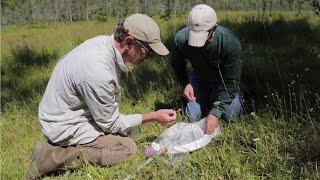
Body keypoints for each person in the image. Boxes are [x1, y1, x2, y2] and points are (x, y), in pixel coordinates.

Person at [27, 13, 177, 179]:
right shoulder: (98, 70)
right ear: (128, 42)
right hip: (63, 125)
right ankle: (49, 157)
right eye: (148, 52)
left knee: (126, 131)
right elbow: (110, 123)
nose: (148, 57)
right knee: (128, 148)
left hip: (70, 114)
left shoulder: (104, 44)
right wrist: (154, 116)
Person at [171, 4, 243, 135]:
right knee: (193, 117)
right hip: (199, 77)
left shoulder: (230, 42)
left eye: (204, 37)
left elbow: (231, 82)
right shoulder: (180, 39)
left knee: (232, 116)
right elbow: (177, 64)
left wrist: (215, 114)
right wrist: (185, 83)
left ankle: (243, 92)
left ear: (214, 29)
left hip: (224, 80)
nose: (199, 44)